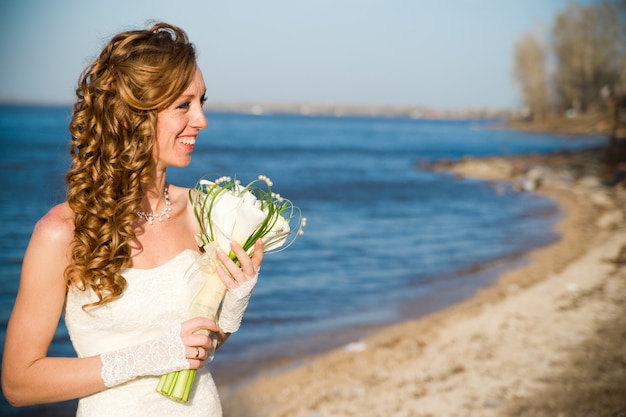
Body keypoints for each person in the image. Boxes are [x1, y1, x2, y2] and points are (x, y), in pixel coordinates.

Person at [1, 22, 263, 417]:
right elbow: (19, 383)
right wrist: (147, 356)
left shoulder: (203, 214)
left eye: (201, 102)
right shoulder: (62, 233)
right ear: (130, 116)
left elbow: (198, 347)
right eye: (183, 105)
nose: (202, 120)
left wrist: (232, 304)